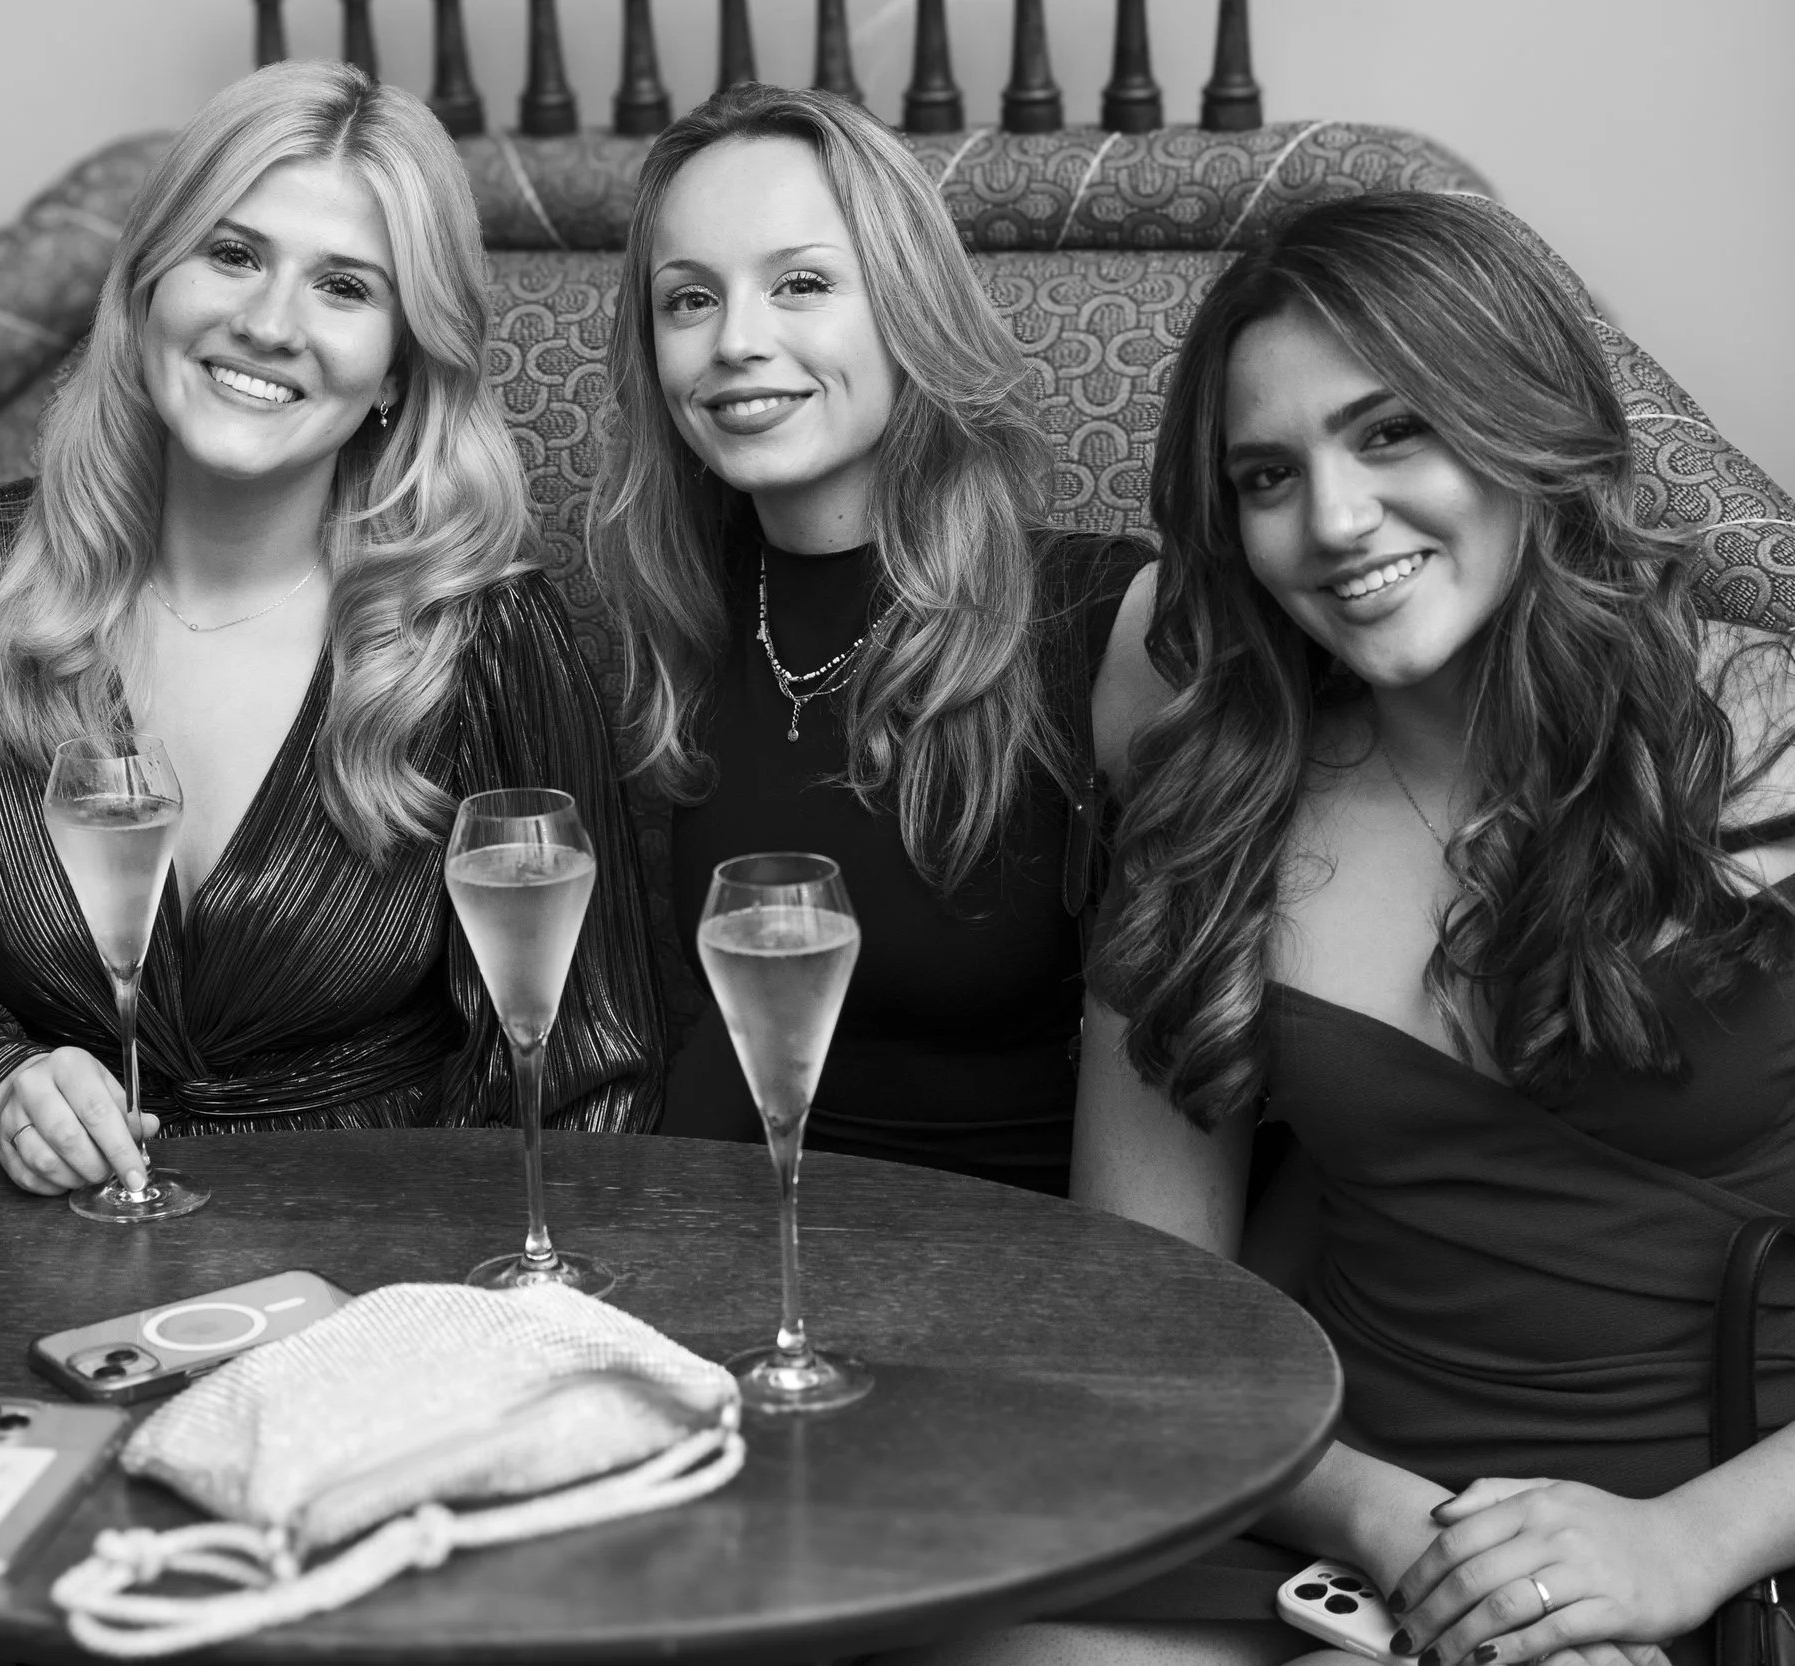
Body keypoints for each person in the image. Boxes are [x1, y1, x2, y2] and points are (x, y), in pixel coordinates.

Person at [1055, 192, 1795, 1666]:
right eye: (1269, 474)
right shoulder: (1223, 799)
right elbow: (1150, 1322)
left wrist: (1672, 1549)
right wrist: (1429, 1548)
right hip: (1332, 1512)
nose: (1332, 521)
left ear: (1522, 422)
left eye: (1393, 431)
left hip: (1722, 1534)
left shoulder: (1771, 738)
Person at [0, 60, 660, 1190]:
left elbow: (582, 1072)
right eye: (233, 254)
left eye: (346, 288)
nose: (269, 323)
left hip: (381, 1296)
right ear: (147, 287)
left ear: (398, 374)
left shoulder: (489, 639)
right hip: (40, 1281)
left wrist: (437, 1323)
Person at [590, 83, 1148, 1190]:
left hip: (1014, 1269)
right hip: (751, 1260)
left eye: (800, 283)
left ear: (905, 304)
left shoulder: (1109, 617)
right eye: (688, 300)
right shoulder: (689, 607)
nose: (737, 342)